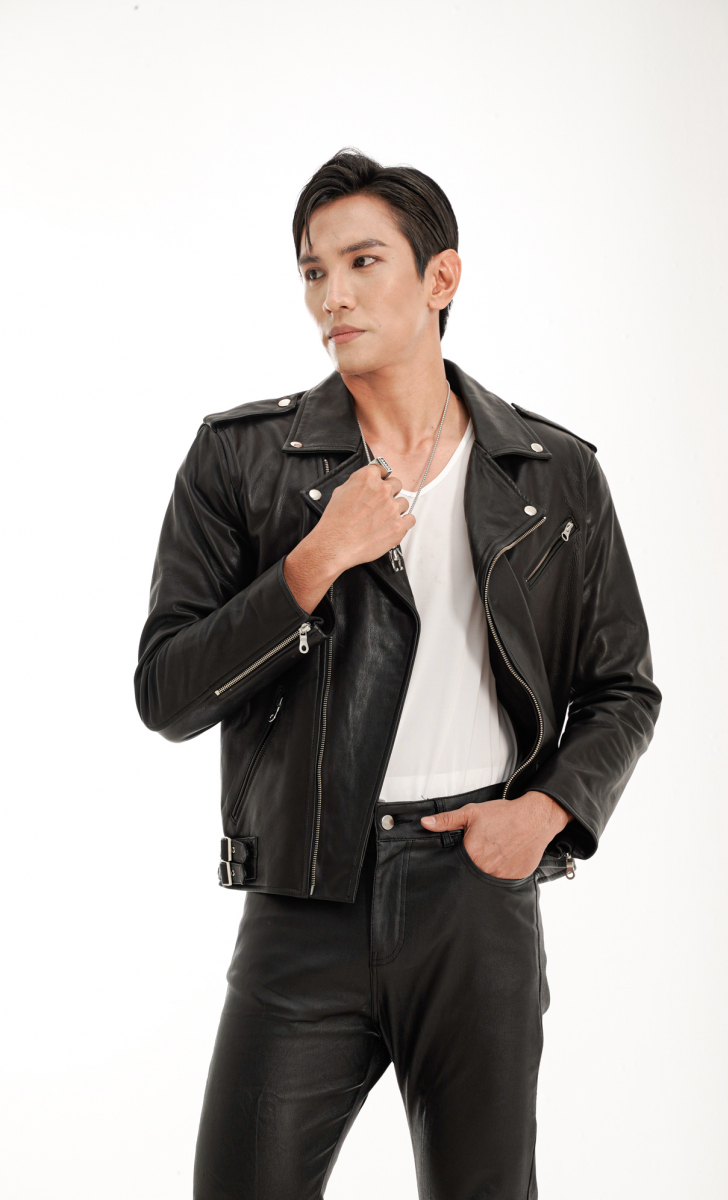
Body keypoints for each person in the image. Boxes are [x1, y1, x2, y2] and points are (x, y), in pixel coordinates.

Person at [134, 148, 661, 1199]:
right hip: (303, 901)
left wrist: (546, 812)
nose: (331, 295)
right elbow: (168, 694)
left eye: (362, 261)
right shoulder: (240, 460)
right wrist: (314, 561)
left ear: (439, 277)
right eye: (313, 271)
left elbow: (622, 688)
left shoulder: (552, 474)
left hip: (476, 900)